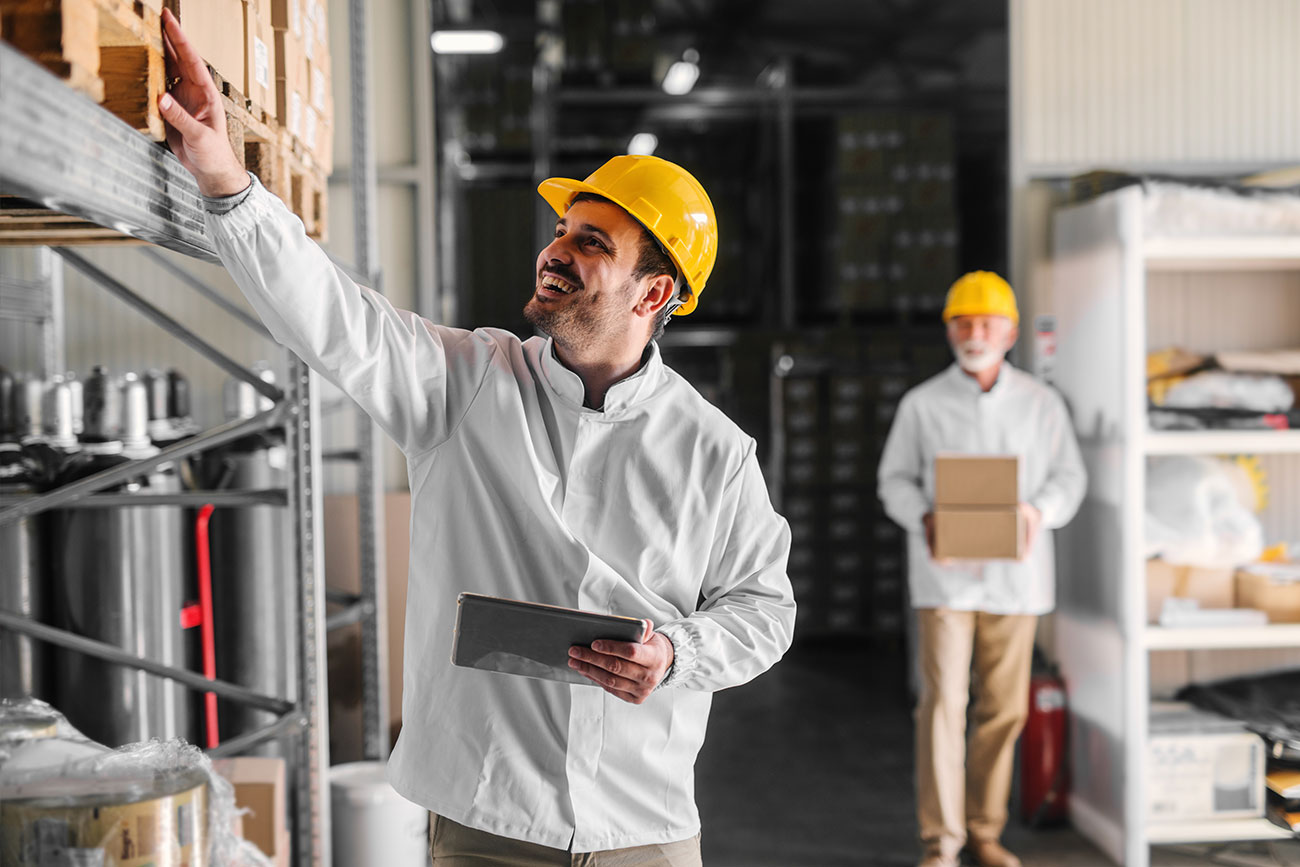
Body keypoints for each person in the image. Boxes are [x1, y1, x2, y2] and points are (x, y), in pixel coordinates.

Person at [155, 10, 795, 865]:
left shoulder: (715, 451)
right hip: (487, 822)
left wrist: (680, 651)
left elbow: (764, 609)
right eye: (563, 229)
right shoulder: (467, 382)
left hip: (646, 828)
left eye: (592, 242)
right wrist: (230, 183)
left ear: (652, 294)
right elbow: (335, 319)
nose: (556, 249)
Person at [877, 271, 1086, 867]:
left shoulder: (1041, 405)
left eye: (987, 323)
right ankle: (941, 843)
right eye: (963, 323)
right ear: (949, 330)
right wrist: (925, 517)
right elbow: (893, 480)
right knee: (942, 708)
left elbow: (1069, 479)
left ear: (1011, 332)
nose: (975, 333)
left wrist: (1034, 511)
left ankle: (985, 830)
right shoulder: (923, 404)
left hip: (1015, 581)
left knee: (1006, 708)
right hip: (944, 578)